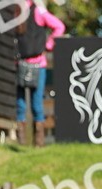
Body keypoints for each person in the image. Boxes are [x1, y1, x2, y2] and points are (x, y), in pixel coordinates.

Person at [14, 0, 65, 147]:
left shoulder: (38, 12)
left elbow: (59, 27)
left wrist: (48, 45)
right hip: (19, 63)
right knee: (20, 104)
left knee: (37, 104)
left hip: (38, 64)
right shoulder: (14, 12)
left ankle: (39, 143)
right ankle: (21, 142)